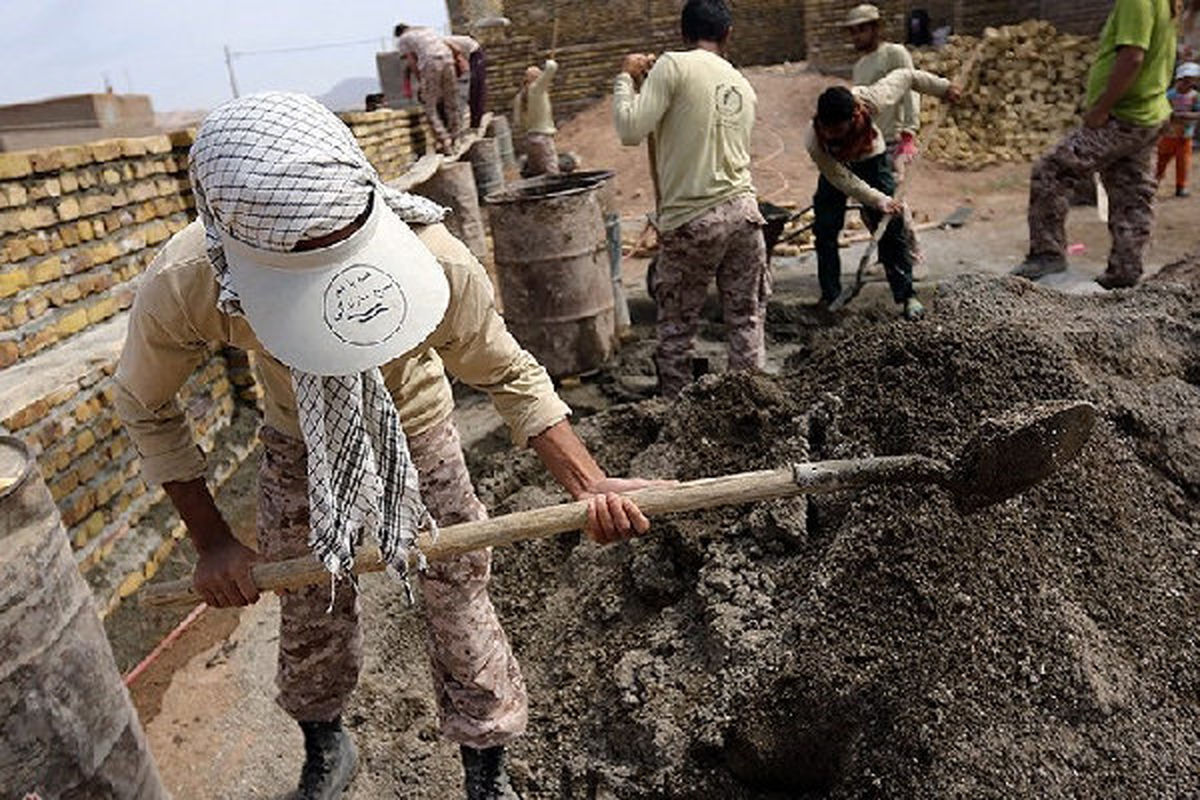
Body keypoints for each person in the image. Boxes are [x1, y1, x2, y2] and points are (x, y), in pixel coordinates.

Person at [114, 92, 660, 800]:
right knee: (309, 601)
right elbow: (143, 402)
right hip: (297, 441)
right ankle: (326, 744)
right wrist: (213, 540)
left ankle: (487, 768)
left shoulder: (432, 255)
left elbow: (507, 369)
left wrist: (588, 483)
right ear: (231, 241)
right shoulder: (188, 282)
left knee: (456, 588)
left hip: (419, 426)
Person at [613, 0, 766, 398]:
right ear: (728, 35)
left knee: (677, 327)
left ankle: (675, 413)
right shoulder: (742, 84)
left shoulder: (673, 65)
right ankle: (749, 405)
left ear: (683, 34)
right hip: (746, 215)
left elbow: (630, 129)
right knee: (746, 319)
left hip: (694, 219)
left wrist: (626, 79)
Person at [1013, 0, 1178, 289]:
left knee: (1051, 170)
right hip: (1148, 113)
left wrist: (1102, 107)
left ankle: (1047, 254)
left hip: (1123, 116)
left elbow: (1132, 57)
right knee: (1131, 191)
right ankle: (1125, 272)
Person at [806, 70, 961, 320]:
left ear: (854, 116)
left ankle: (906, 295)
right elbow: (842, 180)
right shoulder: (814, 139)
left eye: (839, 130)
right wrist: (877, 199)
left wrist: (943, 88)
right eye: (828, 129)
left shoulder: (872, 100)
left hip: (870, 159)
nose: (832, 135)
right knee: (825, 227)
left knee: (891, 226)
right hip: (836, 169)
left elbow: (907, 76)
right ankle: (830, 296)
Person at [847, 4, 921, 182]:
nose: (857, 36)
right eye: (853, 31)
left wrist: (909, 134)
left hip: (891, 141)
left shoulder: (894, 53)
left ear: (876, 28)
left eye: (862, 29)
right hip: (868, 144)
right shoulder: (859, 67)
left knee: (890, 198)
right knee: (871, 201)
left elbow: (911, 89)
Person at [395, 23, 462, 153]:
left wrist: (421, 80)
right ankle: (456, 139)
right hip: (448, 60)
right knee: (451, 101)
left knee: (429, 105)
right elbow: (451, 46)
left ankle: (445, 141)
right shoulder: (428, 30)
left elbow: (411, 61)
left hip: (430, 62)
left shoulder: (404, 38)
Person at [1156, 62, 1200, 196]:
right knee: (1161, 160)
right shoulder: (1169, 95)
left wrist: (1187, 115)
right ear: (1178, 80)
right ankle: (1153, 182)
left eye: (1190, 80)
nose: (1187, 84)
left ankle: (1181, 186)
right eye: (1184, 80)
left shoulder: (1195, 97)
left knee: (1183, 162)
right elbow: (1162, 111)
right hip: (1168, 135)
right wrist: (1171, 115)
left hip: (1185, 136)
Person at [513, 60, 559, 177]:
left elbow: (517, 122)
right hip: (543, 137)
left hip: (529, 138)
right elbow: (551, 69)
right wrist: (550, 63)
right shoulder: (537, 89)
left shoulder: (519, 97)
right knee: (552, 172)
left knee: (536, 173)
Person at [445, 34, 488, 129]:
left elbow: (456, 50)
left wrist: (459, 63)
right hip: (466, 56)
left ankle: (476, 122)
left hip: (474, 51)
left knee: (476, 86)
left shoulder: (439, 42)